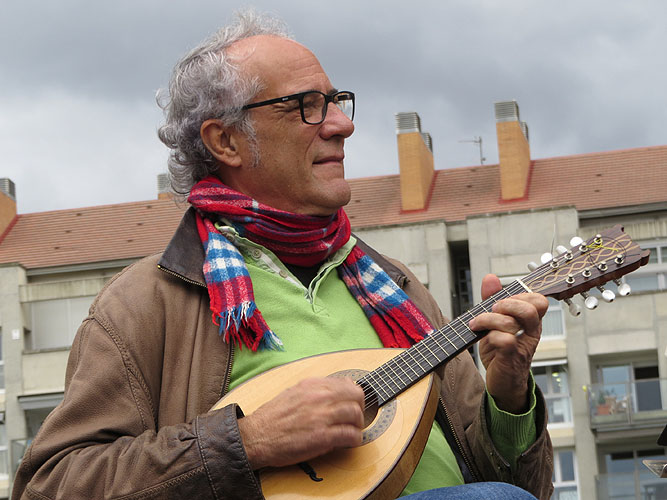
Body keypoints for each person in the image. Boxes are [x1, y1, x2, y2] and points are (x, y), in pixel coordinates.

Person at [12, 10, 553, 500]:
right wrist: (248, 440)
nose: (342, 124)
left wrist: (508, 395)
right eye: (306, 106)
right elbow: (50, 485)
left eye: (336, 101)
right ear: (226, 142)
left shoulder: (397, 288)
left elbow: (524, 486)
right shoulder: (144, 303)